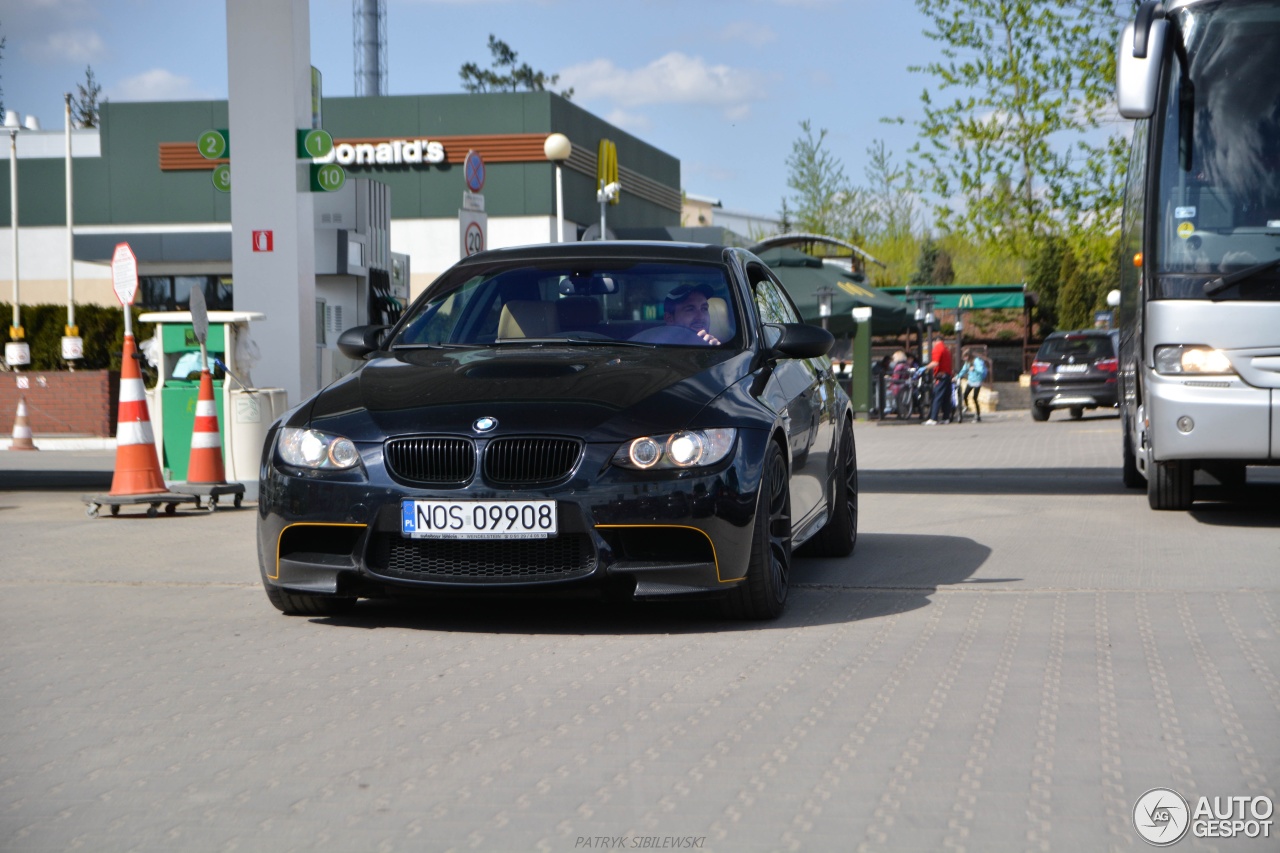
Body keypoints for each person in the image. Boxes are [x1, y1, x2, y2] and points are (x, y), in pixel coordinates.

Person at [630, 283, 722, 345]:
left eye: (704, 309)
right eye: (690, 309)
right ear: (669, 318)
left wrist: (714, 354)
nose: (701, 316)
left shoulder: (721, 349)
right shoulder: (650, 346)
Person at [922, 332, 954, 425]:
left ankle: (933, 418)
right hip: (948, 375)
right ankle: (946, 417)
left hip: (941, 375)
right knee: (946, 398)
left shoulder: (937, 348)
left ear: (935, 341)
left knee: (937, 396)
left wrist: (925, 368)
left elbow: (935, 363)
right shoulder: (946, 350)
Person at [955, 347, 988, 422]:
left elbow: (981, 370)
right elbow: (963, 370)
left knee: (975, 398)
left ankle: (978, 415)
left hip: (977, 381)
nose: (964, 359)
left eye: (965, 357)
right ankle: (966, 407)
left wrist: (974, 369)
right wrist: (957, 377)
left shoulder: (977, 361)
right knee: (965, 395)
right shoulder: (967, 363)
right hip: (970, 381)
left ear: (969, 356)